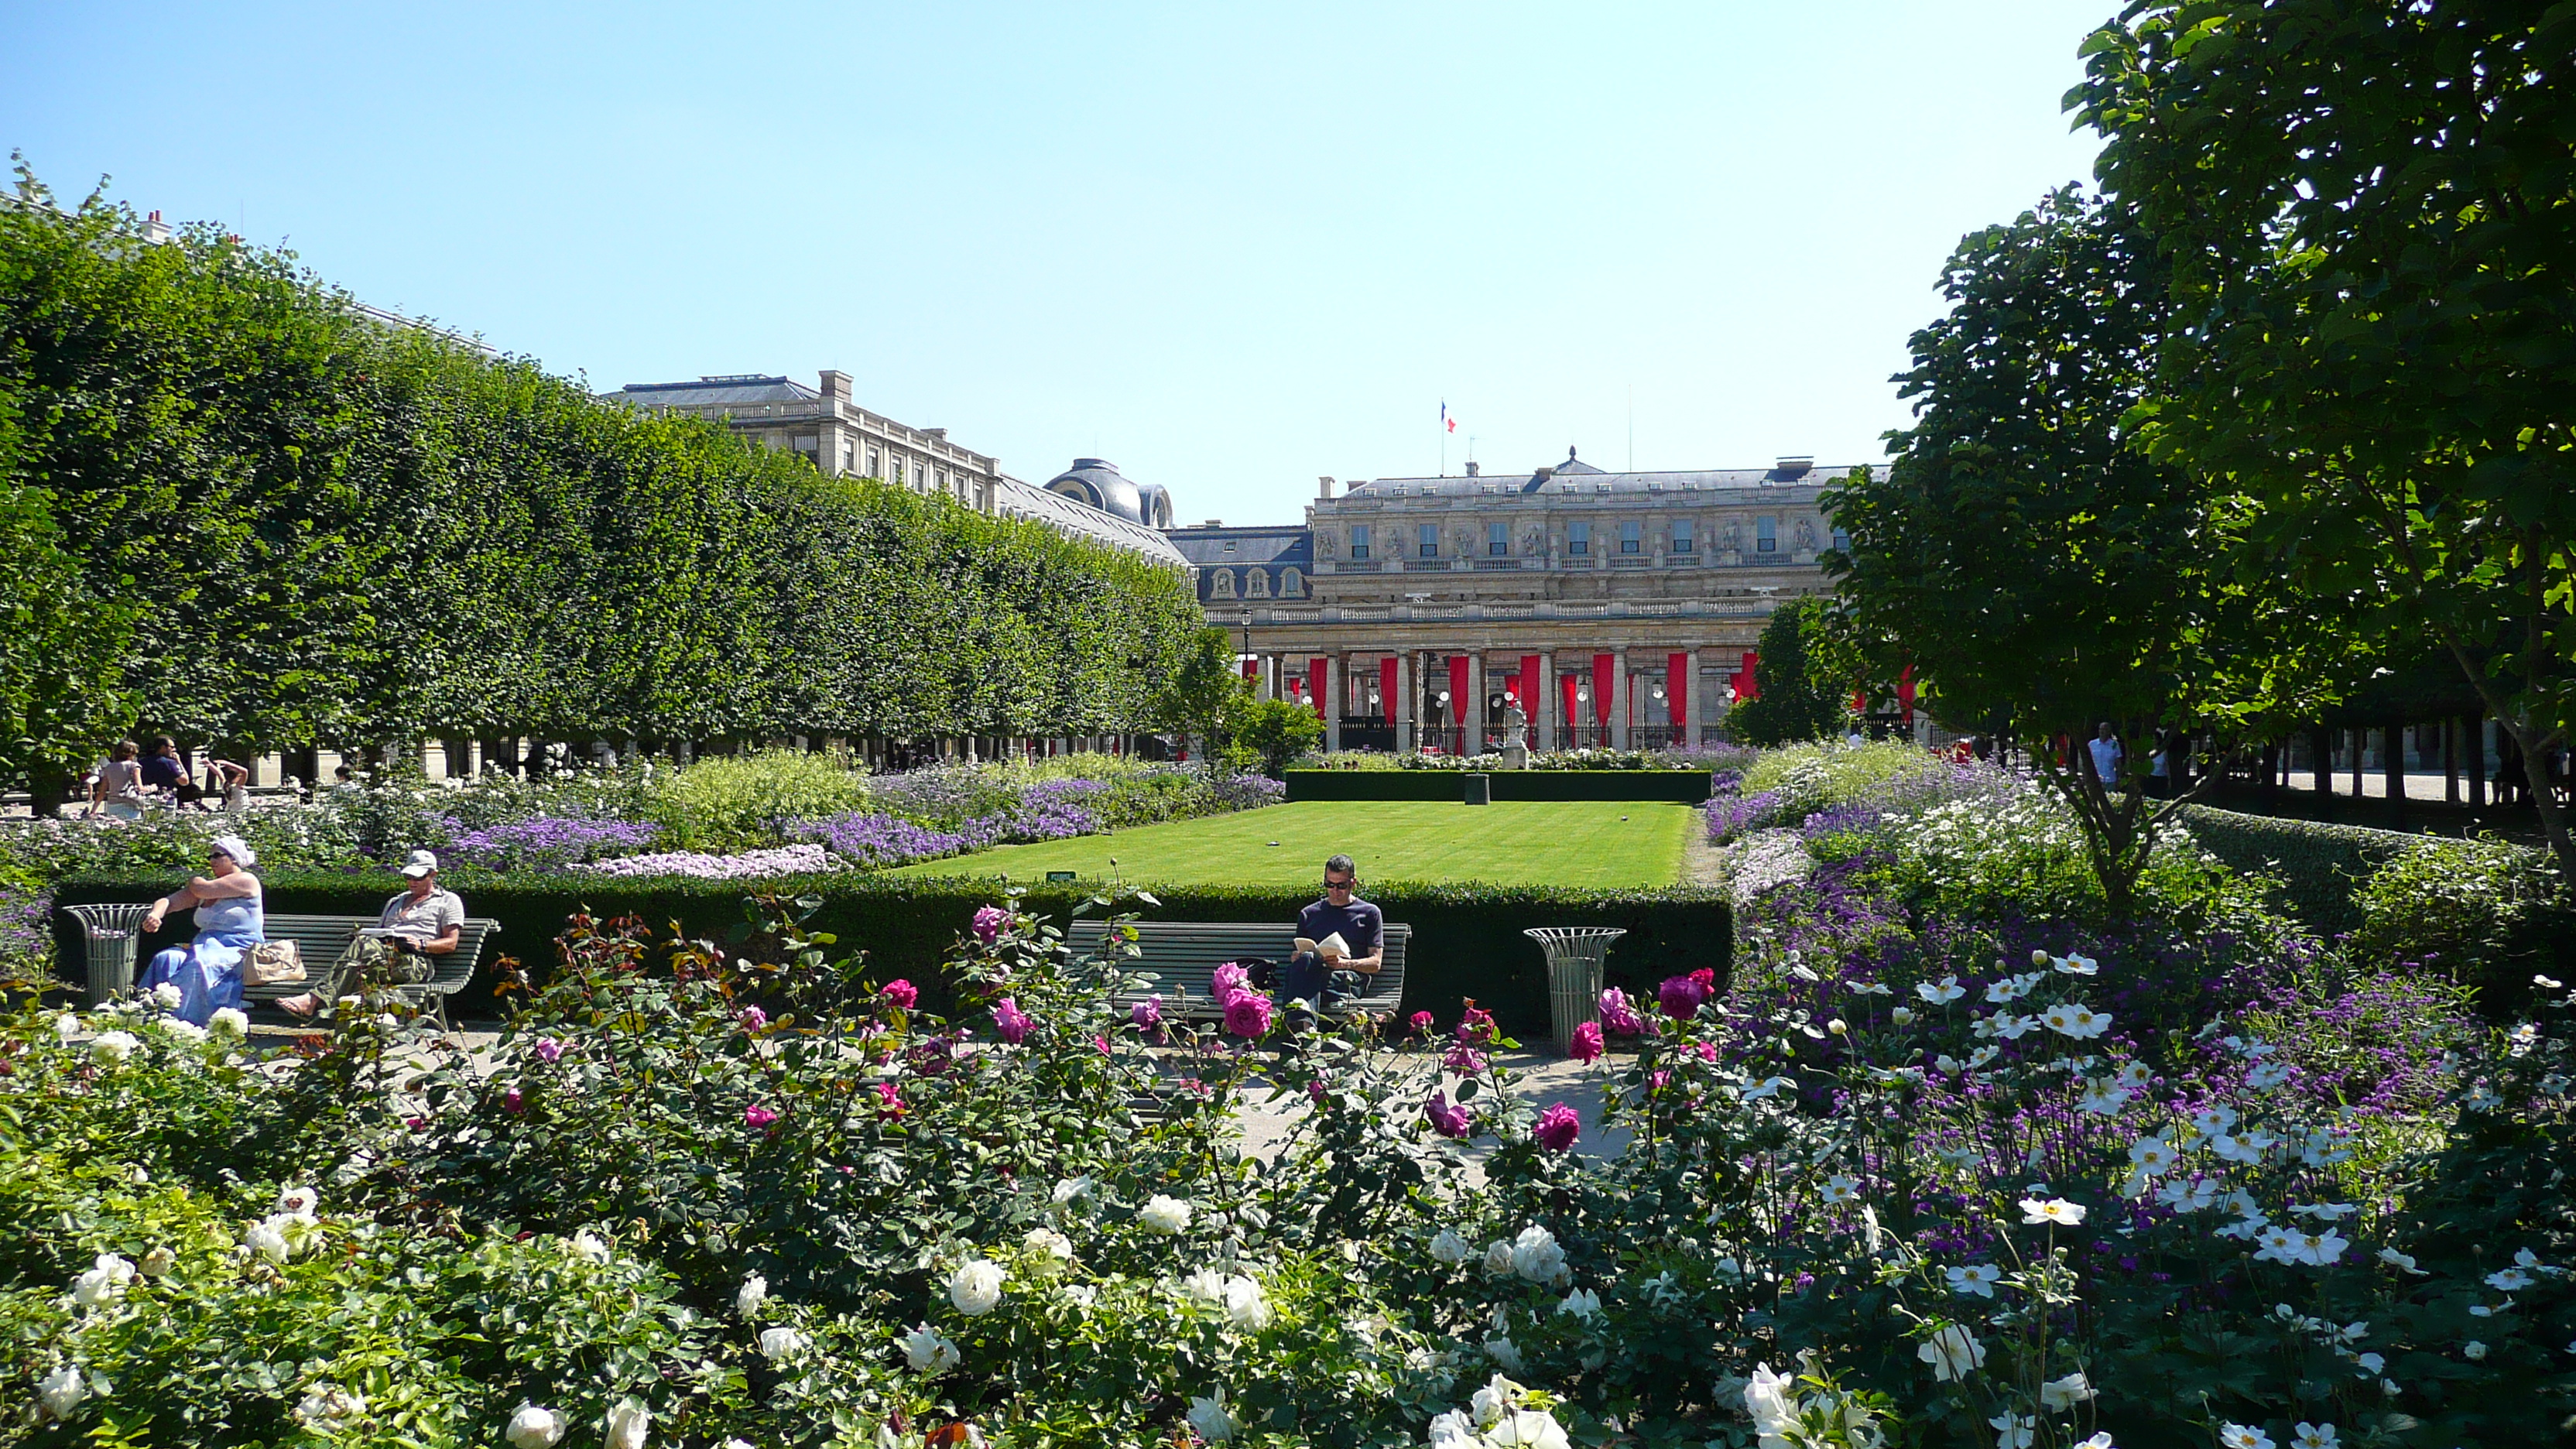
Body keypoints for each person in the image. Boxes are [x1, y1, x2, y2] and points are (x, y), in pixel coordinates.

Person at [279, 849, 463, 1020]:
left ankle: (313, 1002)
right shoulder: (396, 901)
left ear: (433, 875)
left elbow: (451, 943)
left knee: (364, 949)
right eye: (408, 876)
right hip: (381, 956)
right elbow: (379, 932)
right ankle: (332, 1010)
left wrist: (421, 944)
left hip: (414, 962)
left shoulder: (448, 900)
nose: (412, 881)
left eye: (419, 877)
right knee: (363, 946)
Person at [135, 834, 265, 1025]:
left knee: (200, 965)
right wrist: (156, 915)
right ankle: (151, 1017)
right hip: (205, 945)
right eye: (210, 857)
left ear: (234, 858)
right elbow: (168, 901)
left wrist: (194, 879)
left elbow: (201, 888)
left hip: (240, 949)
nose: (211, 861)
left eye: (217, 855)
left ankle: (188, 1024)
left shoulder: (246, 880)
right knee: (166, 959)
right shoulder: (207, 888)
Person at [1279, 854, 1384, 1016]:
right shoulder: (1309, 914)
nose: (1335, 891)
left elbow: (1376, 963)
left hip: (1348, 978)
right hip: (1318, 977)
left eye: (1341, 885)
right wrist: (1298, 958)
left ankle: (1299, 1032)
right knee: (1304, 966)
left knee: (1299, 980)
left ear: (1353, 883)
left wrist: (1344, 964)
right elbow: (1299, 954)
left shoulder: (1369, 913)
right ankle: (1307, 1029)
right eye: (1330, 884)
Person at [89, 740, 147, 821]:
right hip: (130, 803)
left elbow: (102, 792)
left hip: (113, 805)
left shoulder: (109, 768)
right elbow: (140, 788)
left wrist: (93, 810)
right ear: (132, 754)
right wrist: (152, 788)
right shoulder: (134, 766)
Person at [2087, 723, 2124, 788]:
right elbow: (2087, 762)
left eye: (2105, 729)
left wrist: (2119, 778)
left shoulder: (2114, 745)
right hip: (2095, 780)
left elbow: (2118, 762)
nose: (2102, 731)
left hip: (2110, 780)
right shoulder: (2092, 744)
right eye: (2101, 729)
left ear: (2109, 731)